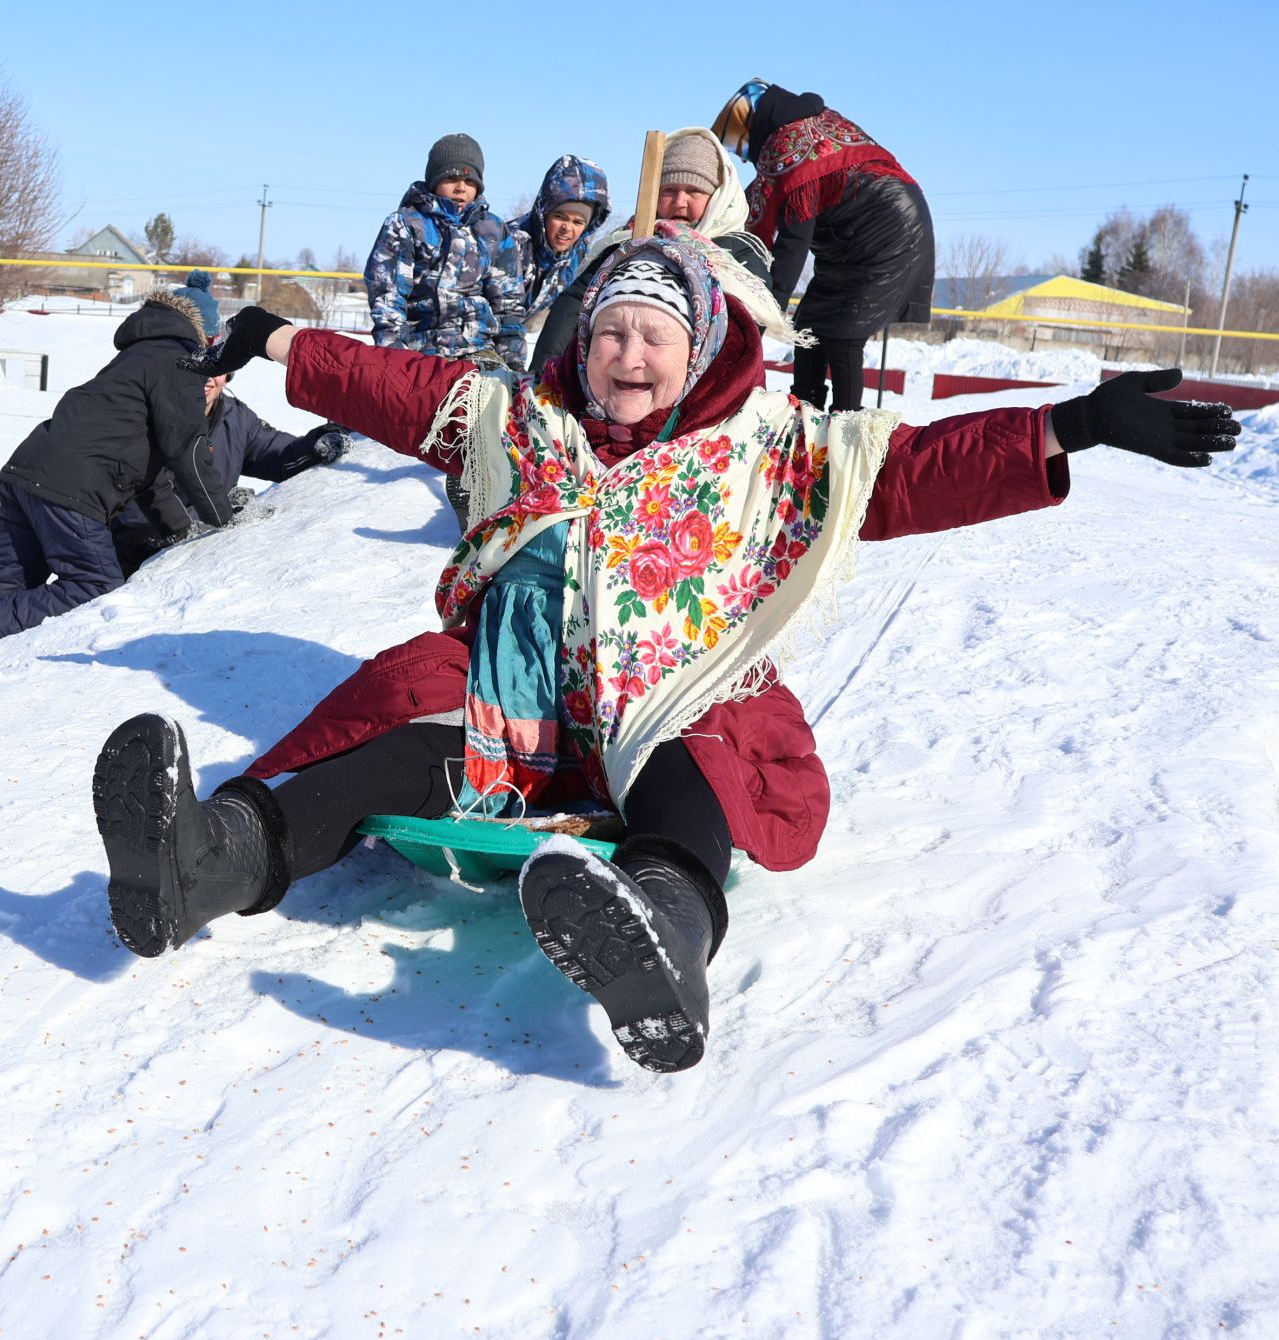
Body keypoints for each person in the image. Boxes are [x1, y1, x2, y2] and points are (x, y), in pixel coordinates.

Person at [88, 230, 1238, 1075]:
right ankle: (213, 858)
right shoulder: (512, 420)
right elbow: (387, 386)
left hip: (672, 697)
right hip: (521, 706)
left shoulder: (767, 451)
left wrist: (1072, 423)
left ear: (694, 352)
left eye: (655, 335)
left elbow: (909, 473)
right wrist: (276, 336)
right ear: (583, 348)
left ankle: (664, 937)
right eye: (612, 334)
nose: (629, 354)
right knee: (399, 732)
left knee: (707, 757)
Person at [0, 277, 232, 675]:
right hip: (71, 490)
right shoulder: (178, 363)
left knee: (2, 587)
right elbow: (187, 448)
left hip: (26, 474)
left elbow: (151, 480)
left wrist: (181, 532)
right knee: (94, 587)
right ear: (206, 337)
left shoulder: (135, 358)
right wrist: (223, 517)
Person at [713, 78, 934, 412]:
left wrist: (763, 315)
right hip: (850, 243)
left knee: (844, 336)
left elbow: (792, 247)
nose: (745, 157)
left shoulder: (793, 153)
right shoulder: (795, 135)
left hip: (887, 233)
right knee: (810, 327)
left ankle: (846, 435)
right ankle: (806, 418)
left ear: (753, 126)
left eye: (741, 144)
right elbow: (752, 221)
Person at [530, 127, 771, 376]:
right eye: (668, 191)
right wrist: (545, 375)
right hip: (619, 381)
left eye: (694, 191)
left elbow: (743, 332)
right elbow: (572, 307)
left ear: (719, 196)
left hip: (705, 392)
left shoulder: (738, 256)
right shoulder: (628, 243)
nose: (679, 202)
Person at [110, 371, 352, 578]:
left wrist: (314, 446)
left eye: (216, 367)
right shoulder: (142, 416)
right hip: (138, 545)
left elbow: (277, 454)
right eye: (196, 365)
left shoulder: (234, 417)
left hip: (205, 543)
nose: (207, 377)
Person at [364, 133, 527, 370]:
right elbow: (387, 294)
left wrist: (514, 364)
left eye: (470, 181)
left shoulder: (492, 230)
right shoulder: (407, 224)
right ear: (434, 180)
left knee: (495, 399)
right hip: (420, 349)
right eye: (451, 178)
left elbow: (508, 302)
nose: (461, 187)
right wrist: (395, 354)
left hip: (479, 349)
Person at [508, 154, 610, 325]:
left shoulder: (577, 255)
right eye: (559, 217)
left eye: (578, 222)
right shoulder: (512, 242)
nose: (567, 228)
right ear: (544, 214)